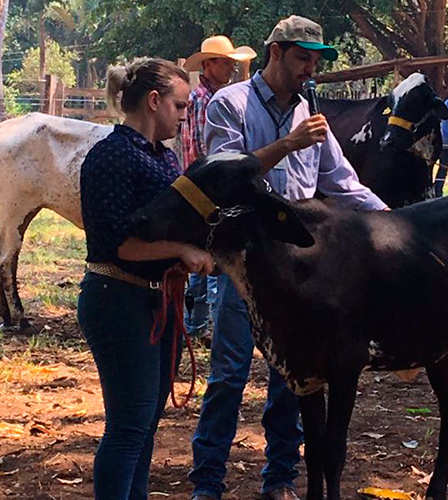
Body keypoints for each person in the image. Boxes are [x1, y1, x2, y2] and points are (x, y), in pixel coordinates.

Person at [189, 15, 388, 500]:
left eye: (316, 61)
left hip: (299, 269)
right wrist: (287, 145)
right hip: (246, 266)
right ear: (275, 52)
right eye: (303, 58)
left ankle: (279, 478)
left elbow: (342, 183)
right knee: (229, 373)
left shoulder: (309, 113)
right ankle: (208, 482)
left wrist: (398, 225)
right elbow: (225, 175)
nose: (310, 70)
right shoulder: (228, 103)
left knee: (293, 379)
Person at [78, 58, 216, 500]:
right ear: (153, 101)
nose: (183, 114)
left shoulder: (163, 156)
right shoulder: (112, 156)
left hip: (155, 301)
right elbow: (120, 245)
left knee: (144, 424)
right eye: (179, 105)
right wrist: (180, 250)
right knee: (129, 425)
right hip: (118, 298)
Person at [180, 36, 257, 340]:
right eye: (224, 62)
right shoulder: (205, 100)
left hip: (198, 188)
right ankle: (206, 324)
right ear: (208, 65)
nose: (229, 68)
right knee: (213, 259)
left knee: (203, 256)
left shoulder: (208, 96)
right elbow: (206, 151)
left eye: (230, 63)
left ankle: (196, 325)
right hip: (206, 190)